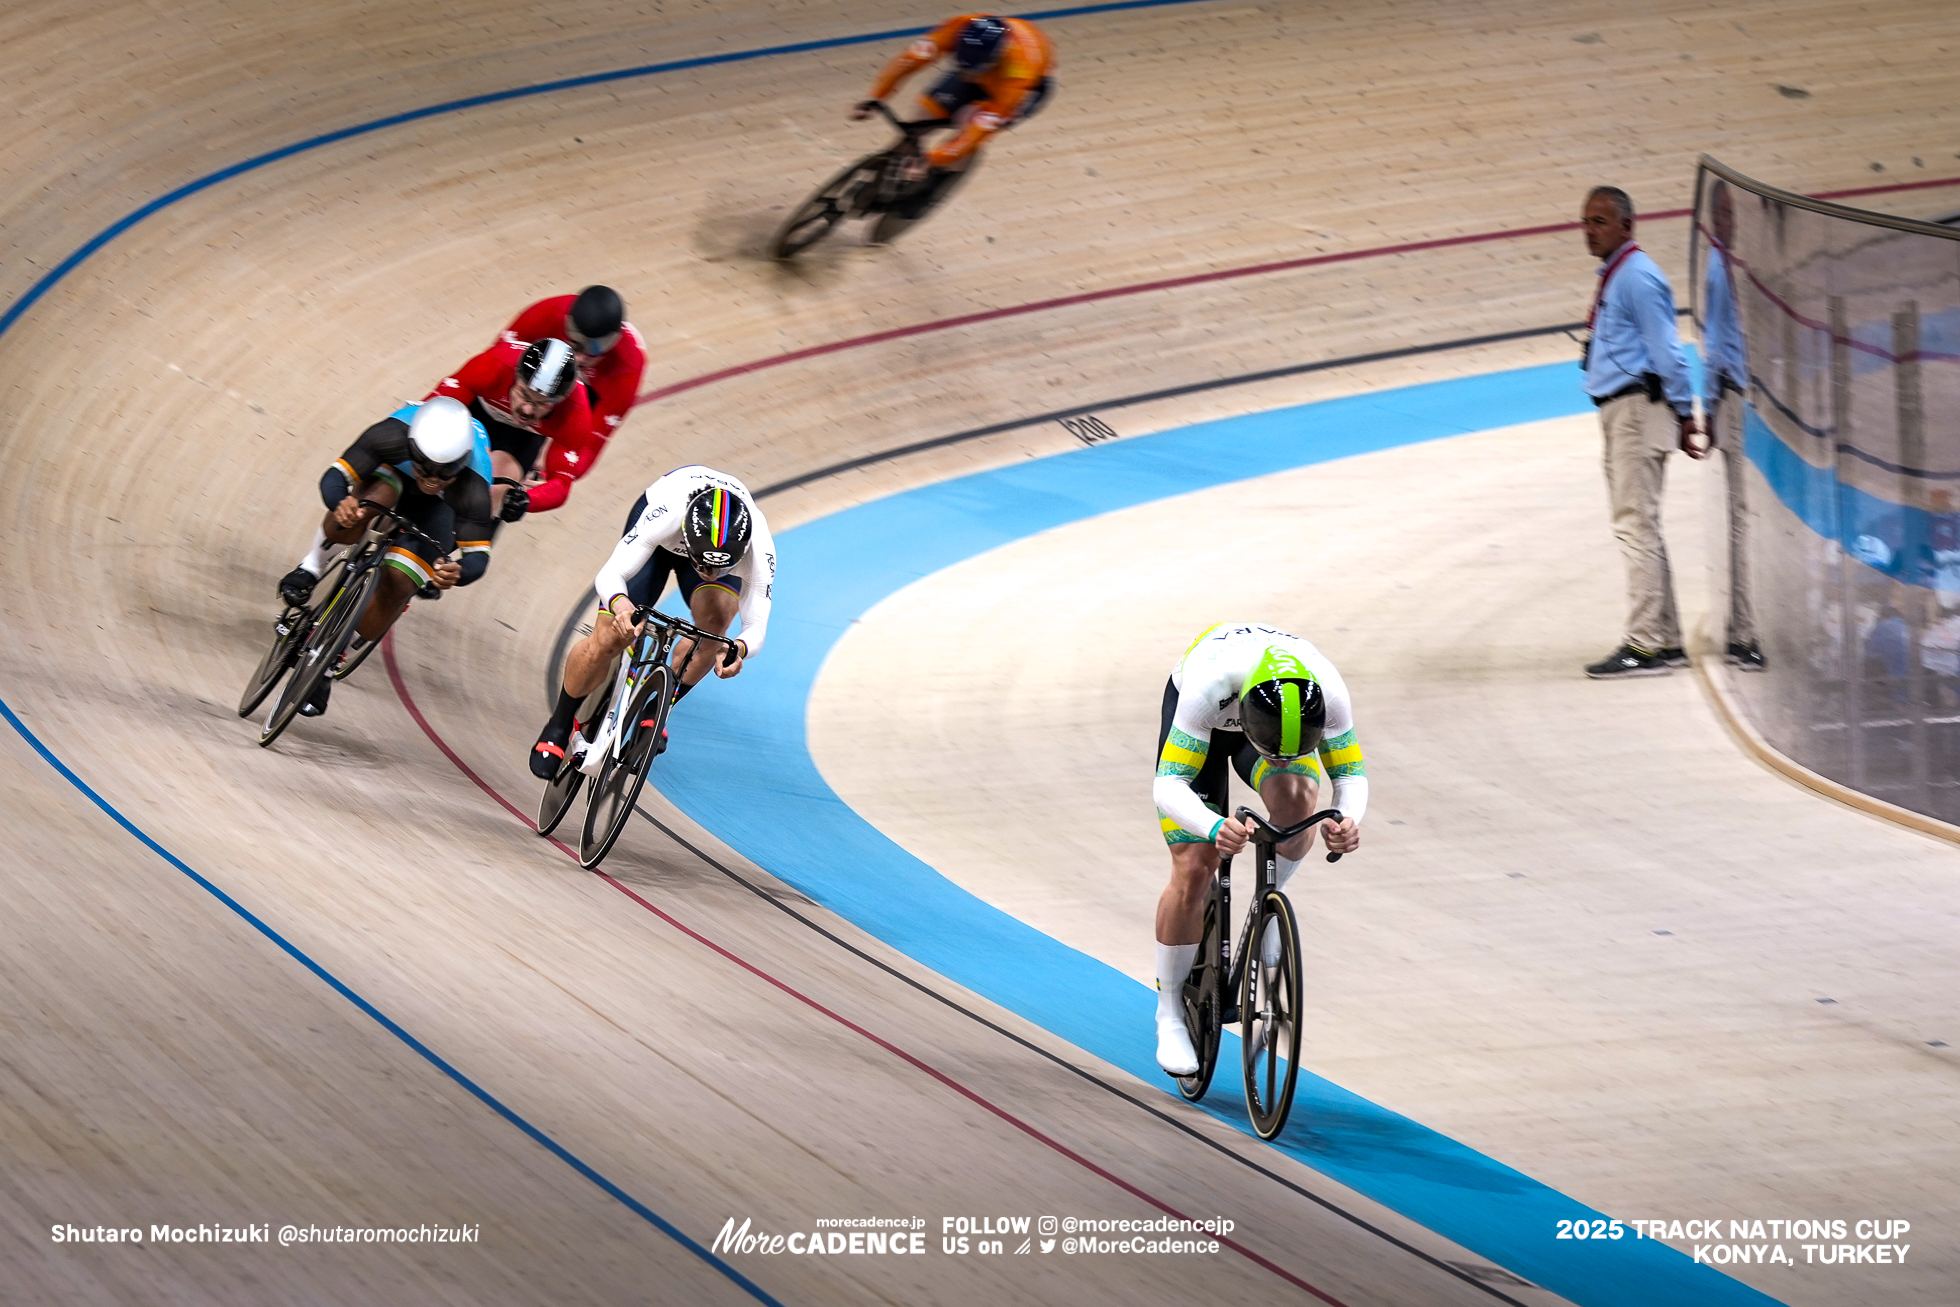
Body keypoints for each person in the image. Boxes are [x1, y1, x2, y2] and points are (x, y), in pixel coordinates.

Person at [1150, 623, 1367, 1076]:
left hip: (1271, 725)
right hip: (1205, 728)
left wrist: (1347, 820)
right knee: (1194, 865)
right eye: (1277, 751)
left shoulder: (1326, 690)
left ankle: (1267, 905)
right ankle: (1168, 1013)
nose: (1284, 760)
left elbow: (1348, 775)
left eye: (1297, 749)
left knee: (1298, 797)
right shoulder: (1208, 687)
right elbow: (1168, 785)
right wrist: (1212, 827)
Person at [530, 467, 776, 778]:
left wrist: (737, 649)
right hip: (659, 545)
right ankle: (561, 722)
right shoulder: (667, 513)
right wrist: (621, 607)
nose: (710, 575)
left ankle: (658, 707)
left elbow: (756, 628)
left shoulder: (759, 548)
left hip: (700, 542)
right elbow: (611, 575)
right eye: (704, 566)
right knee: (608, 639)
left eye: (721, 568)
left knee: (715, 630)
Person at [275, 396, 497, 717]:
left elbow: (478, 557)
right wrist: (341, 501)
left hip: (442, 509)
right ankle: (311, 567)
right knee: (362, 507)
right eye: (424, 466)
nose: (432, 478)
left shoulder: (474, 484)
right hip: (393, 472)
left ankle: (329, 664)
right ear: (411, 446)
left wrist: (458, 572)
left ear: (462, 463)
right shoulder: (390, 435)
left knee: (398, 583)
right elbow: (334, 477)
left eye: (443, 473)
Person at [1578, 185, 1707, 679]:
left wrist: (1685, 412)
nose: (1589, 231)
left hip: (1636, 410)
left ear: (1627, 226)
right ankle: (1667, 639)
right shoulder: (1620, 275)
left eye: (1600, 222)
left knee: (1635, 527)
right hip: (1623, 409)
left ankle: (1645, 644)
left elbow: (1669, 351)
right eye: (1586, 222)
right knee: (1641, 526)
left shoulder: (1637, 278)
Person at [851, 14, 1054, 205]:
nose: (966, 74)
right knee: (922, 118)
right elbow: (906, 63)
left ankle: (934, 186)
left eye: (973, 69)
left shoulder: (1019, 70)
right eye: (960, 63)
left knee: (968, 122)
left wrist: (932, 159)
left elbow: (978, 131)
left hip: (1021, 89)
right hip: (988, 71)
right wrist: (876, 97)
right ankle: (893, 162)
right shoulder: (958, 27)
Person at [498, 286, 648, 512]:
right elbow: (496, 364)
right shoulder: (547, 314)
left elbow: (592, 441)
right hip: (539, 376)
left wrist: (551, 476)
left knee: (525, 466)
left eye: (592, 352)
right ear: (566, 325)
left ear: (612, 344)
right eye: (575, 345)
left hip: (589, 395)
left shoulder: (627, 365)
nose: (578, 358)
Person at [1701, 182, 1764, 672]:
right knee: (1742, 517)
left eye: (1732, 212)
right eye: (1721, 213)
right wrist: (1707, 407)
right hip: (1731, 401)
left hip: (1734, 399)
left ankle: (1741, 627)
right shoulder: (1719, 269)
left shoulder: (1723, 263)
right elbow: (1716, 346)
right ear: (1712, 218)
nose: (1730, 220)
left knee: (1744, 515)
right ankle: (1741, 635)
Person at [430, 336, 590, 518]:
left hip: (524, 436)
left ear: (560, 401)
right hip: (480, 411)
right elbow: (429, 409)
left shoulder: (576, 412)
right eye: (523, 394)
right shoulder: (494, 364)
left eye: (541, 404)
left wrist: (525, 500)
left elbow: (562, 482)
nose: (527, 409)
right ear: (515, 374)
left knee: (485, 499)